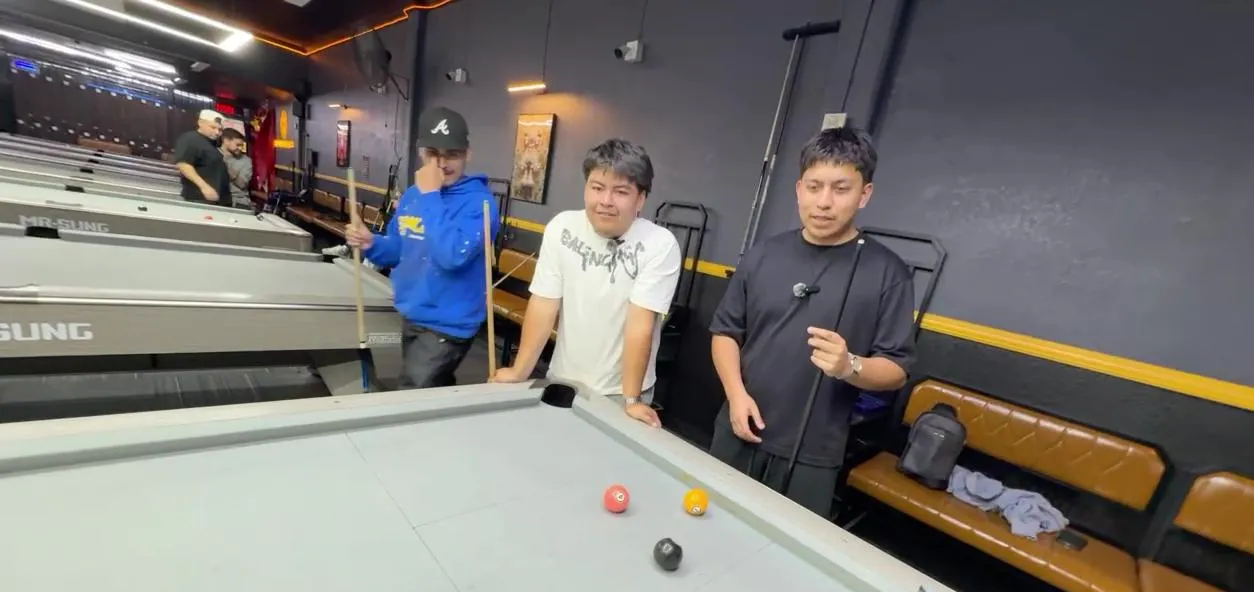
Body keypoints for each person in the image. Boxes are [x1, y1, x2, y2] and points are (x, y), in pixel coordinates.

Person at [708, 125, 916, 518]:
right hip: (738, 425)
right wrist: (735, 395)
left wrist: (849, 365)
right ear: (798, 189)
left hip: (813, 453)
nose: (824, 202)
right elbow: (725, 333)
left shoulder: (888, 273)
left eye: (841, 189)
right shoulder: (762, 255)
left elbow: (896, 371)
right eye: (814, 187)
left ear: (864, 194)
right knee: (710, 523)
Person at [492, 139, 682, 428]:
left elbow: (640, 325)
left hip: (621, 392)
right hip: (562, 378)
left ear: (640, 199)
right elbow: (544, 303)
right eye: (597, 187)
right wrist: (520, 371)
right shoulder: (562, 227)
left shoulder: (659, 244)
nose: (606, 200)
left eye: (621, 192)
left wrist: (632, 400)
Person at [345, 106, 499, 389]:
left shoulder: (480, 203)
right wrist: (371, 243)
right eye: (432, 153)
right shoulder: (412, 197)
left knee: (411, 395)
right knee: (432, 391)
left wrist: (430, 196)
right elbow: (399, 249)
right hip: (413, 311)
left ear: (467, 154)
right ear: (420, 153)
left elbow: (453, 256)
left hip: (447, 324)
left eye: (452, 154)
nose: (441, 163)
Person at [174, 109, 231, 206]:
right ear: (200, 123)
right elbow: (184, 165)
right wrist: (205, 187)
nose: (217, 132)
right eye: (213, 127)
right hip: (200, 199)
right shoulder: (190, 139)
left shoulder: (211, 144)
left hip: (214, 201)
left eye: (220, 130)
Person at [219, 127, 253, 210]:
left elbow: (242, 184)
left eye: (241, 145)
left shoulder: (246, 161)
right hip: (216, 198)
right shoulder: (212, 153)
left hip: (238, 201)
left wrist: (225, 164)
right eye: (237, 145)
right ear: (226, 141)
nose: (240, 148)